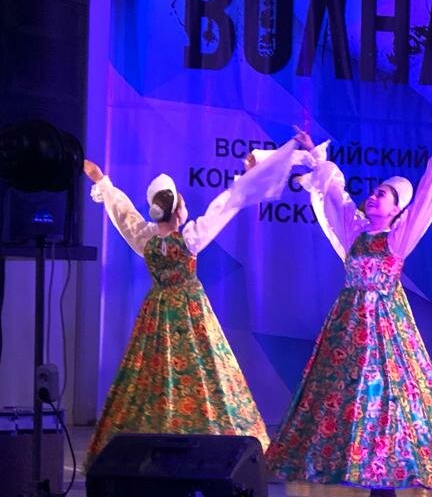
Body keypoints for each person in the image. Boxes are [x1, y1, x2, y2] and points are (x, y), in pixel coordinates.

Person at [265, 132, 432, 495]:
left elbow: (424, 205)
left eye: (382, 194)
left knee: (386, 393)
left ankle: (385, 471)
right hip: (348, 327)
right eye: (373, 192)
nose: (373, 196)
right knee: (344, 395)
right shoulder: (355, 231)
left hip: (385, 328)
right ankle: (348, 461)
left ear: (397, 209)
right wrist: (314, 157)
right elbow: (335, 195)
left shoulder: (398, 238)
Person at [82, 142, 297, 464]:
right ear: (179, 209)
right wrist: (247, 178)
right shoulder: (191, 237)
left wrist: (102, 181)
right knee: (208, 371)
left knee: (151, 373)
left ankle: (149, 442)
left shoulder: (145, 239)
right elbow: (225, 206)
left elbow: (122, 213)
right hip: (190, 312)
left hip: (157, 313)